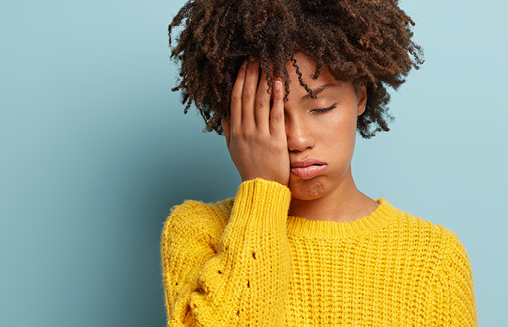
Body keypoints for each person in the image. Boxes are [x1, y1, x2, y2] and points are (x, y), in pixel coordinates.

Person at [161, 0, 476, 325]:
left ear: (361, 97)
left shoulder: (435, 258)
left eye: (322, 108)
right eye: (271, 115)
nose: (298, 139)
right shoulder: (199, 231)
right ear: (235, 123)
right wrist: (262, 191)